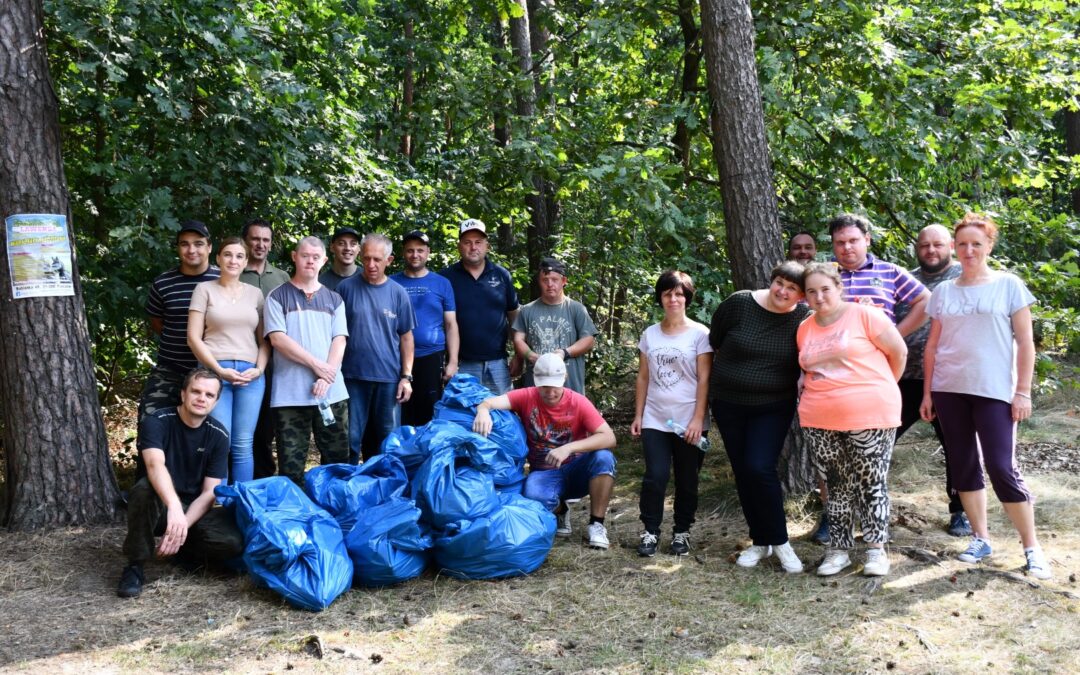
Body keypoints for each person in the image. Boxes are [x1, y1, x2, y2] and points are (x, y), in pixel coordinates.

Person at [920, 213, 1051, 580]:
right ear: (953, 248)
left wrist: (1022, 392)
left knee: (1001, 468)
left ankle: (1031, 546)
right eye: (962, 244)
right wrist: (929, 392)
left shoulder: (1009, 286)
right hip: (949, 389)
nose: (968, 250)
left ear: (990, 246)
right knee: (963, 465)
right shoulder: (944, 292)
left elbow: (1026, 342)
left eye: (976, 243)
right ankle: (981, 538)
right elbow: (932, 347)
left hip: (994, 391)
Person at [808, 213, 930, 544]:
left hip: (871, 382)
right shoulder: (825, 275)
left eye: (852, 240)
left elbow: (924, 300)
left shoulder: (889, 272)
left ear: (867, 240)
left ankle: (872, 528)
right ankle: (831, 518)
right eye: (839, 242)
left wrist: (894, 334)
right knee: (832, 461)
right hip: (829, 383)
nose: (846, 248)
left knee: (869, 463)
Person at [798, 262, 907, 577]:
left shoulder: (865, 315)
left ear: (838, 287)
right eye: (812, 292)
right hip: (819, 417)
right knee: (835, 485)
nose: (819, 297)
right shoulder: (805, 328)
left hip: (871, 413)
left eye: (825, 289)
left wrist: (880, 387)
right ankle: (839, 550)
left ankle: (875, 550)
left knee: (871, 482)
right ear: (805, 296)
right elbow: (808, 369)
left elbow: (898, 354)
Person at [708, 262, 810, 572]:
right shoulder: (740, 303)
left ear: (802, 295)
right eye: (779, 282)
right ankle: (760, 541)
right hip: (729, 403)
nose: (782, 290)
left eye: (791, 288)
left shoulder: (803, 318)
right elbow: (716, 339)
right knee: (743, 471)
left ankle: (780, 541)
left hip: (773, 406)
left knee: (759, 466)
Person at [117, 367, 245, 599]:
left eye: (209, 395)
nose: (201, 398)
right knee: (144, 490)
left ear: (215, 402)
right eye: (196, 391)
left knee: (232, 542)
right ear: (183, 394)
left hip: (193, 508)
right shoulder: (158, 421)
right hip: (160, 504)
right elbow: (155, 466)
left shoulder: (219, 435)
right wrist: (174, 508)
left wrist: (182, 525)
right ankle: (135, 565)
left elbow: (209, 493)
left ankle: (183, 548)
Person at [473, 353, 617, 549]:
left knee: (604, 457)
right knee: (532, 495)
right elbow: (489, 401)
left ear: (564, 379)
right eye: (544, 386)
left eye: (555, 386)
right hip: (544, 472)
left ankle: (597, 524)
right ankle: (561, 509)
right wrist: (483, 410)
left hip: (576, 469)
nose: (550, 392)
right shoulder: (526, 396)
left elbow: (609, 437)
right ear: (536, 381)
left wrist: (568, 448)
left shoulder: (579, 402)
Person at [630, 271, 713, 557]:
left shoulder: (701, 334)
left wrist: (698, 420)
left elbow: (704, 379)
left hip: (689, 421)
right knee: (656, 475)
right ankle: (650, 531)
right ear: (661, 298)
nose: (673, 299)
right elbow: (643, 377)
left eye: (679, 294)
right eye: (668, 293)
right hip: (655, 417)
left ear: (687, 298)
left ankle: (682, 532)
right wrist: (638, 415)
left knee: (687, 478)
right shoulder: (649, 334)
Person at [894, 224, 969, 536]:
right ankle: (860, 506)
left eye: (937, 244)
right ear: (916, 248)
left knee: (958, 447)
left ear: (950, 245)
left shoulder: (965, 278)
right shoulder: (904, 281)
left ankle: (960, 511)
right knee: (879, 439)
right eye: (925, 246)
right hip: (904, 377)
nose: (931, 251)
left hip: (950, 380)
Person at [264, 237, 350, 485]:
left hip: (331, 395)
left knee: (338, 463)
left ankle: (336, 515)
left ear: (324, 260)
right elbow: (278, 339)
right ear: (294, 256)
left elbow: (339, 340)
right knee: (291, 467)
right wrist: (317, 367)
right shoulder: (277, 297)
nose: (310, 261)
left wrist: (326, 375)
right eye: (305, 255)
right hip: (289, 397)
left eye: (315, 257)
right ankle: (297, 518)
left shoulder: (335, 299)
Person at [187, 237, 269, 484]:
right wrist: (218, 371)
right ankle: (216, 505)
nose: (233, 260)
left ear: (245, 262)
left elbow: (265, 340)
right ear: (218, 258)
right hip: (214, 375)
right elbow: (193, 338)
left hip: (250, 377)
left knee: (243, 445)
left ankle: (242, 503)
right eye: (228, 255)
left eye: (239, 256)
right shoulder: (204, 290)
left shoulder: (255, 294)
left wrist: (259, 369)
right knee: (220, 441)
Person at [338, 233, 416, 463]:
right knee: (350, 437)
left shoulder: (398, 292)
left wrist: (406, 377)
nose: (371, 265)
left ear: (389, 260)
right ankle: (348, 485)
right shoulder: (345, 288)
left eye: (377, 259)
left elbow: (406, 338)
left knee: (389, 439)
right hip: (352, 376)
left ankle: (388, 485)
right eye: (367, 258)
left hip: (389, 378)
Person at [139, 220, 220, 422]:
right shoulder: (163, 283)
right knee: (150, 423)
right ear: (178, 248)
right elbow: (157, 323)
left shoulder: (224, 280)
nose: (191, 249)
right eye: (184, 244)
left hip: (212, 372)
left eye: (198, 243)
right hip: (170, 369)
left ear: (209, 247)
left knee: (208, 434)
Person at [441, 218, 520, 395]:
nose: (473, 247)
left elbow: (514, 316)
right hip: (461, 364)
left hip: (498, 363)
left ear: (487, 246)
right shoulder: (446, 278)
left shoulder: (501, 275)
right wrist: (449, 361)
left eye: (478, 242)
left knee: (503, 416)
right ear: (459, 246)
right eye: (467, 242)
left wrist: (518, 355)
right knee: (461, 417)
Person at [240, 218, 292, 479]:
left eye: (265, 240)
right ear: (245, 241)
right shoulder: (232, 272)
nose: (260, 244)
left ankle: (265, 479)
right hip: (239, 359)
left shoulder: (282, 278)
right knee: (240, 426)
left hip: (275, 364)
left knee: (267, 426)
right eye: (255, 239)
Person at [391, 230, 460, 426]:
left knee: (429, 415)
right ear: (403, 253)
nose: (415, 255)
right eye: (410, 250)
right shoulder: (392, 283)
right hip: (397, 358)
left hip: (431, 357)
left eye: (420, 250)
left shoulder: (442, 283)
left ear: (428, 252)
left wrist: (453, 361)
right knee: (400, 414)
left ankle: (426, 455)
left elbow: (451, 324)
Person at [512, 257, 598, 395]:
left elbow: (588, 339)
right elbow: (518, 339)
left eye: (554, 279)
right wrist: (533, 357)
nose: (550, 284)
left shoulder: (576, 309)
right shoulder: (527, 310)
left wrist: (565, 352)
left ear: (564, 281)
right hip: (535, 388)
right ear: (539, 282)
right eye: (545, 280)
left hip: (570, 388)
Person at [319, 227, 361, 292]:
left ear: (359, 249)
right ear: (332, 247)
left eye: (353, 244)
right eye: (341, 243)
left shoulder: (368, 278)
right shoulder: (320, 283)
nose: (348, 248)